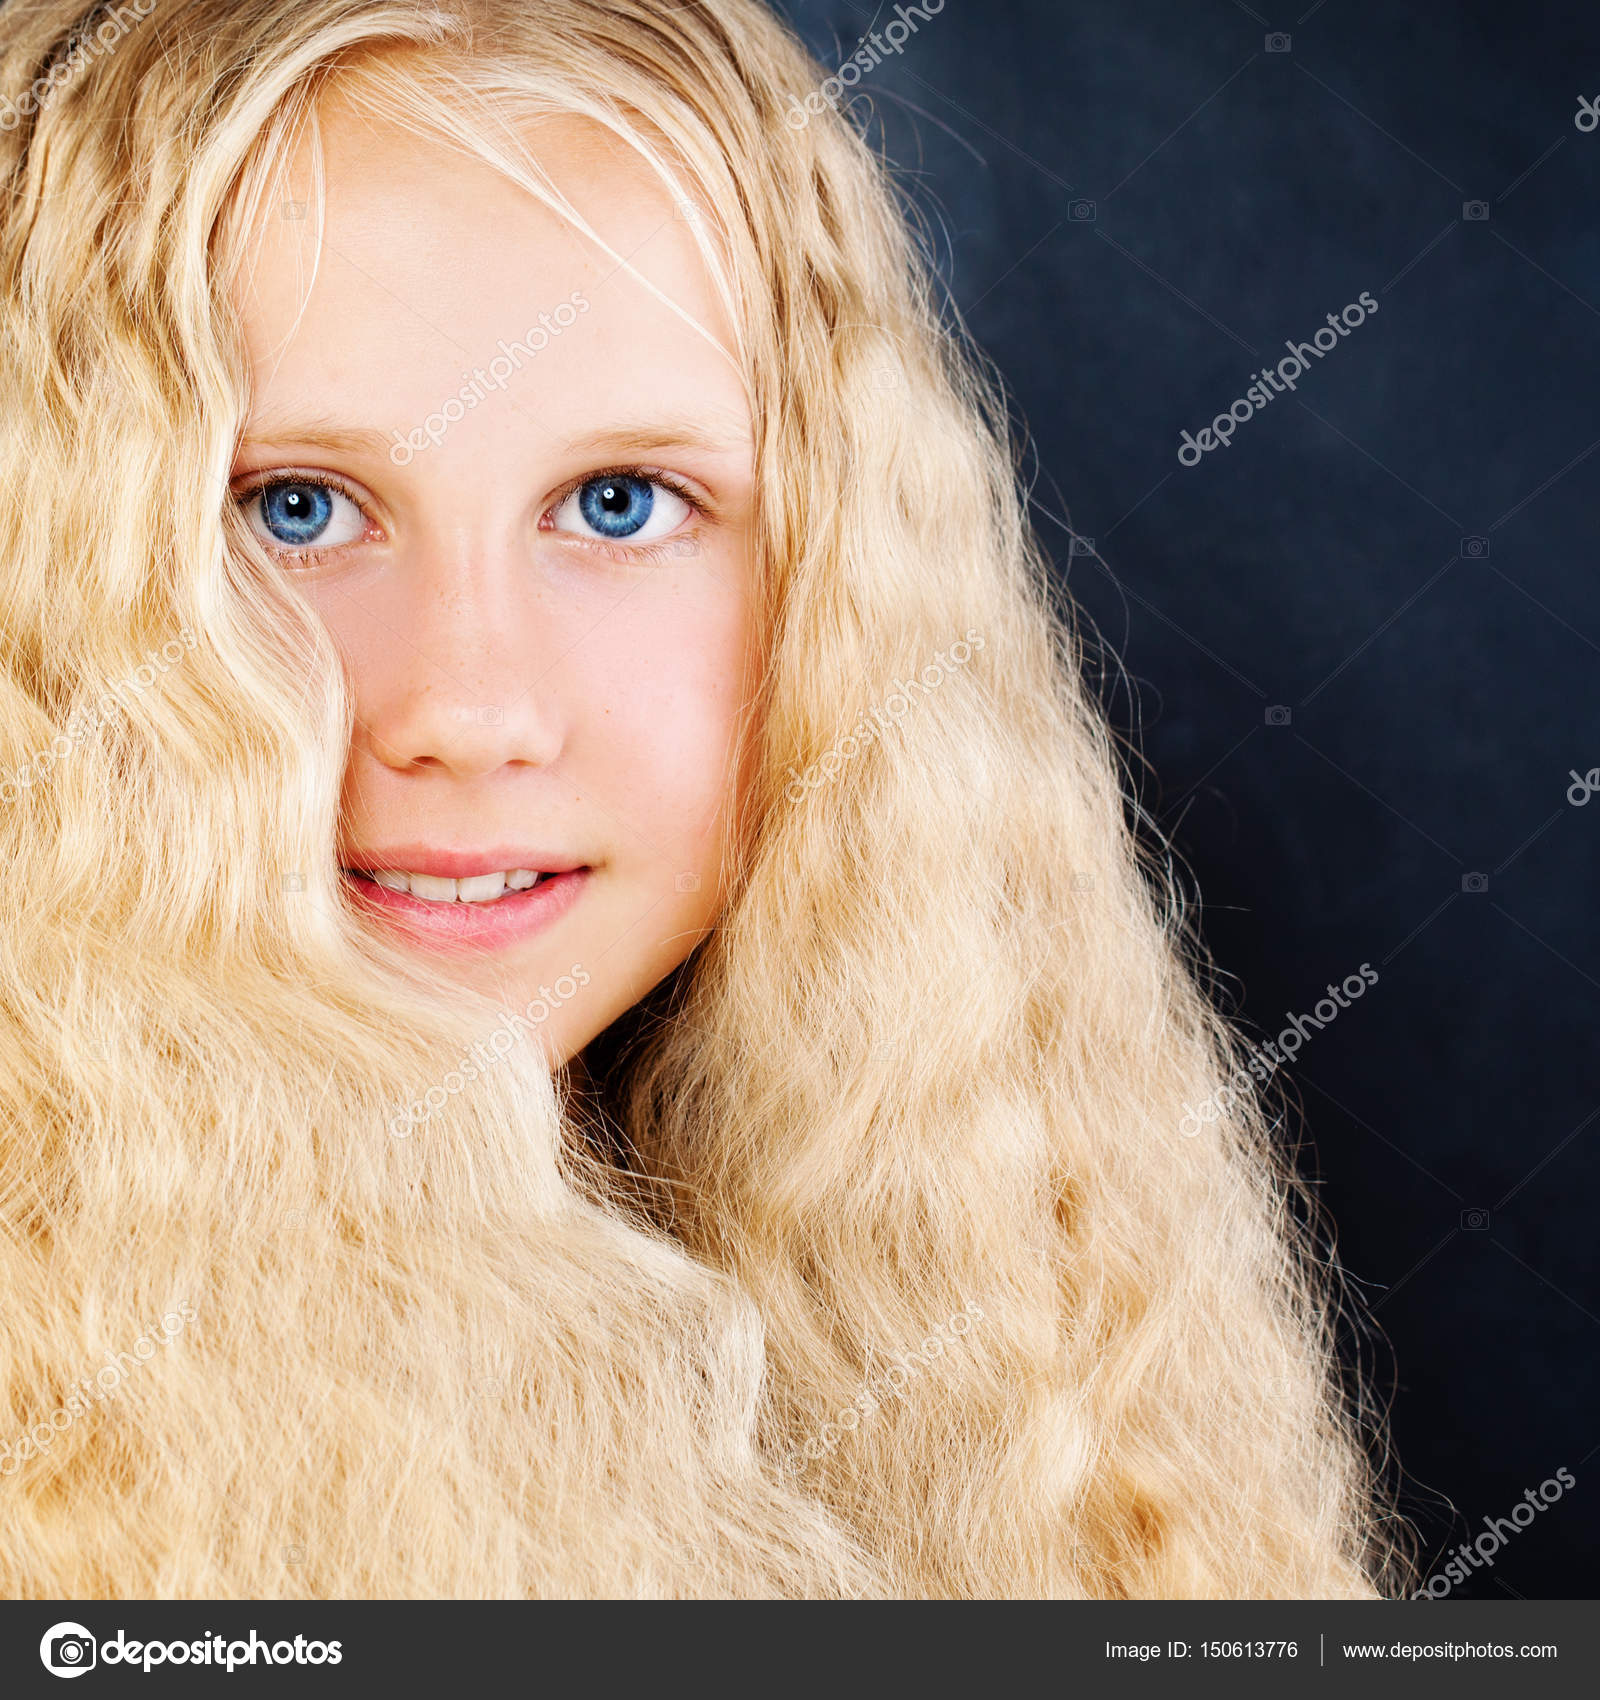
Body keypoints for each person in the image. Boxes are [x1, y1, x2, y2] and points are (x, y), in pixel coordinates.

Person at [0, 0, 1407, 1598]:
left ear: (835, 586)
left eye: (619, 504)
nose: (470, 708)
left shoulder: (1019, 1322)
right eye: (293, 509)